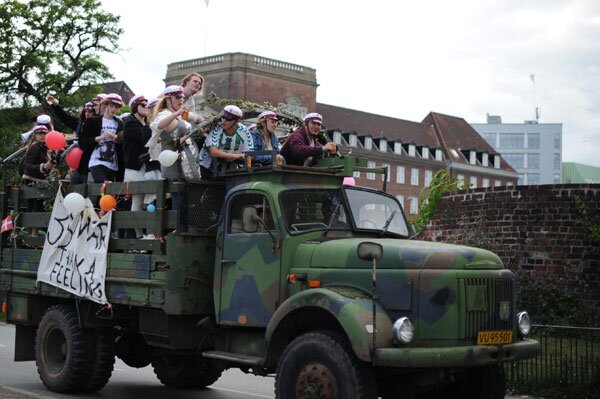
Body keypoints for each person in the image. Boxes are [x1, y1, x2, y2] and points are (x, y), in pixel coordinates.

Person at [148, 85, 201, 182]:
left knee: (193, 192)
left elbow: (198, 118)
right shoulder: (164, 114)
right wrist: (176, 114)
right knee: (179, 193)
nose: (181, 100)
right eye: (177, 97)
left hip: (190, 161)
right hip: (175, 164)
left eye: (182, 97)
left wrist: (208, 121)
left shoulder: (182, 114)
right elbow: (158, 125)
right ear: (168, 100)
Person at [198, 105, 254, 179]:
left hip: (230, 170)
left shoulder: (244, 131)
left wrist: (235, 157)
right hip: (208, 167)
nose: (224, 121)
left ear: (237, 120)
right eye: (223, 117)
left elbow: (250, 155)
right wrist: (237, 156)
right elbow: (214, 152)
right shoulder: (217, 128)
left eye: (228, 119)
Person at [79, 93, 125, 183]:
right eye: (112, 106)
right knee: (102, 186)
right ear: (105, 105)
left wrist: (117, 139)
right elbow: (82, 141)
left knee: (107, 193)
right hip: (96, 161)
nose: (114, 109)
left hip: (112, 163)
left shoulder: (119, 123)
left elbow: (123, 143)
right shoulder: (92, 121)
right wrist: (98, 138)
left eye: (117, 107)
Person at [22, 125, 54, 236]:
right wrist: (43, 166)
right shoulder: (35, 147)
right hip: (32, 181)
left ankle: (32, 235)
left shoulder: (46, 148)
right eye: (39, 133)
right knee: (35, 208)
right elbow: (28, 167)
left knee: (37, 208)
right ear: (35, 135)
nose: (42, 135)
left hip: (41, 183)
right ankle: (32, 236)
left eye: (44, 133)